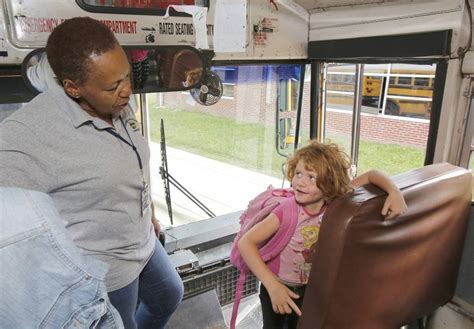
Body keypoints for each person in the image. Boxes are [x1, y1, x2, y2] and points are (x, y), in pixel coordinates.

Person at [0, 17, 183, 329]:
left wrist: (146, 205)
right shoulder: (25, 135)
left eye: (126, 76)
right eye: (114, 85)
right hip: (106, 266)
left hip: (142, 240)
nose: (127, 91)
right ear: (73, 87)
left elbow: (127, 161)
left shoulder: (114, 104)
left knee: (169, 295)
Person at [238, 140, 407, 329]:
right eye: (299, 173)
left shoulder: (334, 202)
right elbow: (246, 243)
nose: (300, 181)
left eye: (311, 177)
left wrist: (394, 192)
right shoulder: (285, 211)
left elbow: (372, 175)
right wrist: (272, 286)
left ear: (329, 184)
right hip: (279, 287)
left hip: (309, 287)